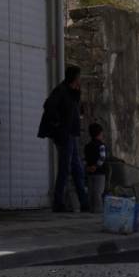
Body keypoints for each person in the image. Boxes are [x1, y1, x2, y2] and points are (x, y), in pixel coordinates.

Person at [38, 65, 89, 213]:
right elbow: (48, 105)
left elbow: (74, 109)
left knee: (77, 169)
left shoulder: (73, 92)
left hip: (72, 134)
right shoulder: (61, 90)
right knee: (65, 168)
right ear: (74, 77)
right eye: (79, 77)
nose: (80, 80)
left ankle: (84, 202)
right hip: (64, 135)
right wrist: (58, 123)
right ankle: (58, 202)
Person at [84, 123, 109, 213]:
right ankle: (98, 209)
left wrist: (88, 167)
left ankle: (92, 209)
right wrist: (96, 166)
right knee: (98, 192)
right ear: (100, 133)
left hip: (90, 172)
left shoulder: (87, 146)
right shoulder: (101, 145)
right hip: (100, 173)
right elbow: (102, 158)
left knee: (91, 192)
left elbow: (86, 158)